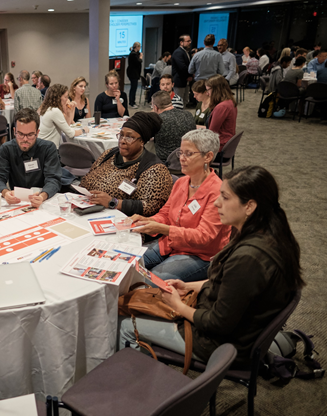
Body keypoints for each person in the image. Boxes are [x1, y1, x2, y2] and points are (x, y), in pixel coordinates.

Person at [120, 165, 304, 368]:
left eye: (225, 197)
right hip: (232, 327)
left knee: (124, 324)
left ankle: (141, 390)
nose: (217, 203)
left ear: (249, 207)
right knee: (144, 303)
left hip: (221, 344)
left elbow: (218, 323)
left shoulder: (249, 258)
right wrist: (189, 286)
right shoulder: (269, 232)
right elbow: (229, 284)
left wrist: (178, 307)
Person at [131, 129, 231, 282]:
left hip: (201, 255)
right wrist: (148, 221)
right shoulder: (182, 182)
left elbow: (204, 237)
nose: (182, 159)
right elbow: (165, 213)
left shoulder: (217, 192)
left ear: (208, 157)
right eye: (181, 153)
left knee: (150, 281)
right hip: (173, 244)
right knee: (127, 263)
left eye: (189, 154)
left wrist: (163, 229)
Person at [81, 111, 172, 216]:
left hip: (123, 221)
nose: (122, 141)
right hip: (89, 208)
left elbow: (150, 206)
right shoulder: (109, 154)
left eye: (129, 137)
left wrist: (113, 202)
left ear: (142, 141)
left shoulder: (154, 168)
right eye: (121, 135)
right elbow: (86, 179)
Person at [0, 108, 61, 208]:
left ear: (37, 133)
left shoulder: (48, 148)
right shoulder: (6, 149)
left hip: (43, 201)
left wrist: (42, 196)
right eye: (20, 134)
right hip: (16, 203)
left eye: (30, 135)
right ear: (14, 131)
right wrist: (5, 192)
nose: (25, 139)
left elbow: (54, 180)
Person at [38, 84, 88, 149]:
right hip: (49, 149)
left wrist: (69, 110)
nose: (67, 100)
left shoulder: (47, 108)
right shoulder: (55, 111)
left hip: (42, 146)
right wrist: (83, 130)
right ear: (58, 98)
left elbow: (67, 125)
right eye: (65, 97)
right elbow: (70, 134)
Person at [151, 91, 196, 162]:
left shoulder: (157, 121)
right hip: (190, 160)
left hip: (165, 163)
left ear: (155, 107)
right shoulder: (188, 115)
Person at [205, 75, 237, 153]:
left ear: (215, 90)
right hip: (227, 143)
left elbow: (211, 133)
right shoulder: (230, 101)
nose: (207, 94)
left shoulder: (222, 107)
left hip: (220, 145)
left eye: (208, 90)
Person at [171, 34, 193, 105]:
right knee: (178, 102)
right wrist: (189, 75)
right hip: (179, 81)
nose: (190, 42)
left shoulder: (185, 52)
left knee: (185, 101)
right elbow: (182, 67)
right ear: (181, 42)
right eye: (188, 41)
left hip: (184, 81)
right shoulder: (178, 52)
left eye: (190, 40)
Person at [127, 42, 143, 109]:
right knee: (133, 88)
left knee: (134, 88)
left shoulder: (134, 53)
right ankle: (131, 103)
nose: (140, 48)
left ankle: (132, 101)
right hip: (133, 73)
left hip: (134, 73)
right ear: (137, 47)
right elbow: (138, 61)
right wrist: (141, 57)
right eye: (139, 47)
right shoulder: (133, 54)